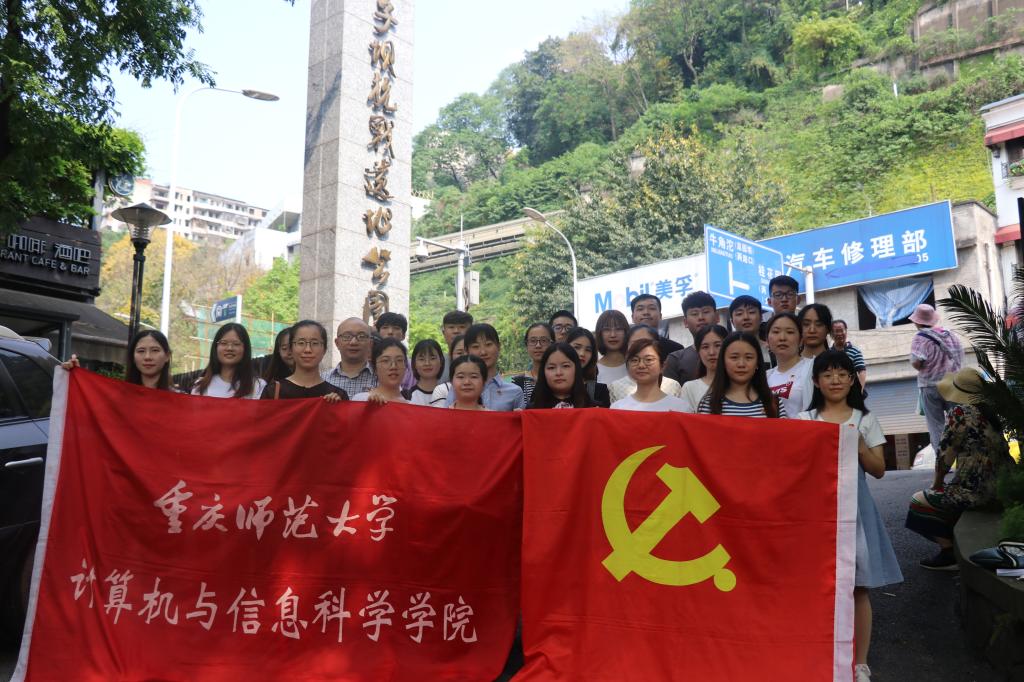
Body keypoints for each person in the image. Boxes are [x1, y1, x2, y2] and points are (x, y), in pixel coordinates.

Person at [798, 350, 902, 682]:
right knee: (815, 588)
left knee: (859, 588)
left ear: (852, 380)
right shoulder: (803, 420)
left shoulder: (864, 419)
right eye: (828, 374)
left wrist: (857, 445)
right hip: (814, 515)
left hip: (855, 513)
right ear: (816, 381)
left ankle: (860, 663)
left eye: (842, 374)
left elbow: (879, 469)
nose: (835, 380)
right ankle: (817, 656)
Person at [906, 368, 1013, 570]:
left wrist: (936, 485)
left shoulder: (960, 413)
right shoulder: (990, 413)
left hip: (977, 493)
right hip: (1001, 489)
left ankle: (948, 553)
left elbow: (944, 457)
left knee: (919, 501)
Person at [909, 303, 966, 455]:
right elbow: (960, 357)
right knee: (958, 423)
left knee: (936, 426)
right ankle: (963, 458)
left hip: (930, 386)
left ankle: (942, 461)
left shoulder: (919, 338)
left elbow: (916, 362)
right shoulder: (951, 335)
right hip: (952, 386)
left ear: (917, 321)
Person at [697, 332, 785, 418]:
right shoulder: (709, 404)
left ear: (757, 362)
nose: (741, 364)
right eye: (734, 357)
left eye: (748, 357)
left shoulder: (773, 403)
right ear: (723, 361)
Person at [261, 320, 348, 401]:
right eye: (301, 343)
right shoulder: (273, 391)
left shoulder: (338, 395)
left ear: (324, 349)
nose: (308, 350)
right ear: (291, 349)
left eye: (315, 343)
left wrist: (337, 406)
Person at [444, 324, 524, 411]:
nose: (483, 352)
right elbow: (448, 416)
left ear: (499, 346)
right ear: (466, 351)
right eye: (475, 346)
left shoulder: (514, 392)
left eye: (488, 344)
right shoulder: (459, 388)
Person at [608, 325, 683, 403]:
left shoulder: (672, 386)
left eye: (647, 343)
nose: (641, 348)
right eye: (635, 343)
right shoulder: (615, 387)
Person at [611, 338, 689, 412]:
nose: (641, 365)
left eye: (649, 360)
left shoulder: (680, 408)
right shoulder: (618, 408)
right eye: (634, 360)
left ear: (662, 366)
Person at [191, 323, 266, 399]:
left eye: (236, 344)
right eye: (224, 343)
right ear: (215, 348)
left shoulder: (257, 386)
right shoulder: (200, 386)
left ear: (245, 349)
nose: (229, 348)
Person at [663, 291, 720, 386]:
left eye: (706, 312)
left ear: (717, 317)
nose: (701, 317)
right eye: (694, 314)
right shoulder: (675, 359)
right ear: (685, 322)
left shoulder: (731, 352)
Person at [765, 313, 814, 416]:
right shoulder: (765, 377)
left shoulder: (812, 368)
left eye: (790, 332)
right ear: (767, 341)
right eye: (776, 332)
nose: (782, 338)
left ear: (801, 340)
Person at [528, 343, 595, 409]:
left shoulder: (593, 408)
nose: (558, 373)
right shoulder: (532, 410)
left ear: (576, 369)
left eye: (565, 366)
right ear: (543, 372)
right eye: (551, 367)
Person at [323, 318, 378, 396]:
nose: (353, 342)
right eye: (347, 336)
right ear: (337, 343)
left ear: (370, 343)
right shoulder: (323, 379)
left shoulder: (381, 380)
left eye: (361, 336)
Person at [679, 324, 727, 412]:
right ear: (698, 352)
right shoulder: (690, 388)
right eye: (705, 347)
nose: (711, 352)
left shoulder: (739, 385)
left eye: (717, 345)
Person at [353, 338, 408, 403]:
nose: (393, 366)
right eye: (385, 361)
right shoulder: (361, 400)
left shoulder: (413, 404)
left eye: (399, 360)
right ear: (375, 368)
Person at [566, 327, 611, 407]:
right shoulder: (552, 386)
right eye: (577, 347)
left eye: (588, 350)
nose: (582, 353)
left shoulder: (600, 391)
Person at [511, 323, 554, 405]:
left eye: (543, 340)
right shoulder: (517, 383)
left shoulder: (560, 378)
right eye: (533, 341)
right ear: (526, 345)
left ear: (553, 343)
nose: (538, 345)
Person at [375, 311, 415, 392]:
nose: (390, 332)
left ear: (403, 335)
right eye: (385, 327)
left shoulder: (413, 367)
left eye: (396, 328)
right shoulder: (368, 363)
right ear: (378, 332)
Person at [729, 295, 769, 363]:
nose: (746, 317)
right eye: (739, 314)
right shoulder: (727, 352)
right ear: (732, 321)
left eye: (751, 312)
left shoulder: (772, 350)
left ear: (761, 317)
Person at [429, 334, 467, 407]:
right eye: (459, 353)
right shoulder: (441, 390)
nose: (465, 357)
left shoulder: (486, 388)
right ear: (450, 355)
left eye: (469, 352)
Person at [594, 309, 630, 384]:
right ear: (600, 333)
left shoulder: (636, 366)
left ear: (626, 332)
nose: (613, 335)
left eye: (618, 329)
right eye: (607, 330)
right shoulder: (593, 369)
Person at [406, 339, 445, 405]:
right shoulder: (406, 397)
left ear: (441, 361)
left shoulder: (449, 395)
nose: (427, 363)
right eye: (421, 359)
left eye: (432, 358)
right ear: (414, 363)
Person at [833, 319, 867, 392]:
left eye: (841, 330)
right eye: (836, 331)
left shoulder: (855, 351)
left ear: (846, 331)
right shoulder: (827, 353)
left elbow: (862, 372)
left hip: (851, 392)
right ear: (832, 333)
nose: (839, 334)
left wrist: (859, 391)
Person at [441, 310, 473, 377]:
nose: (456, 331)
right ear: (443, 332)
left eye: (462, 327)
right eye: (451, 327)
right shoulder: (436, 363)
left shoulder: (479, 361)